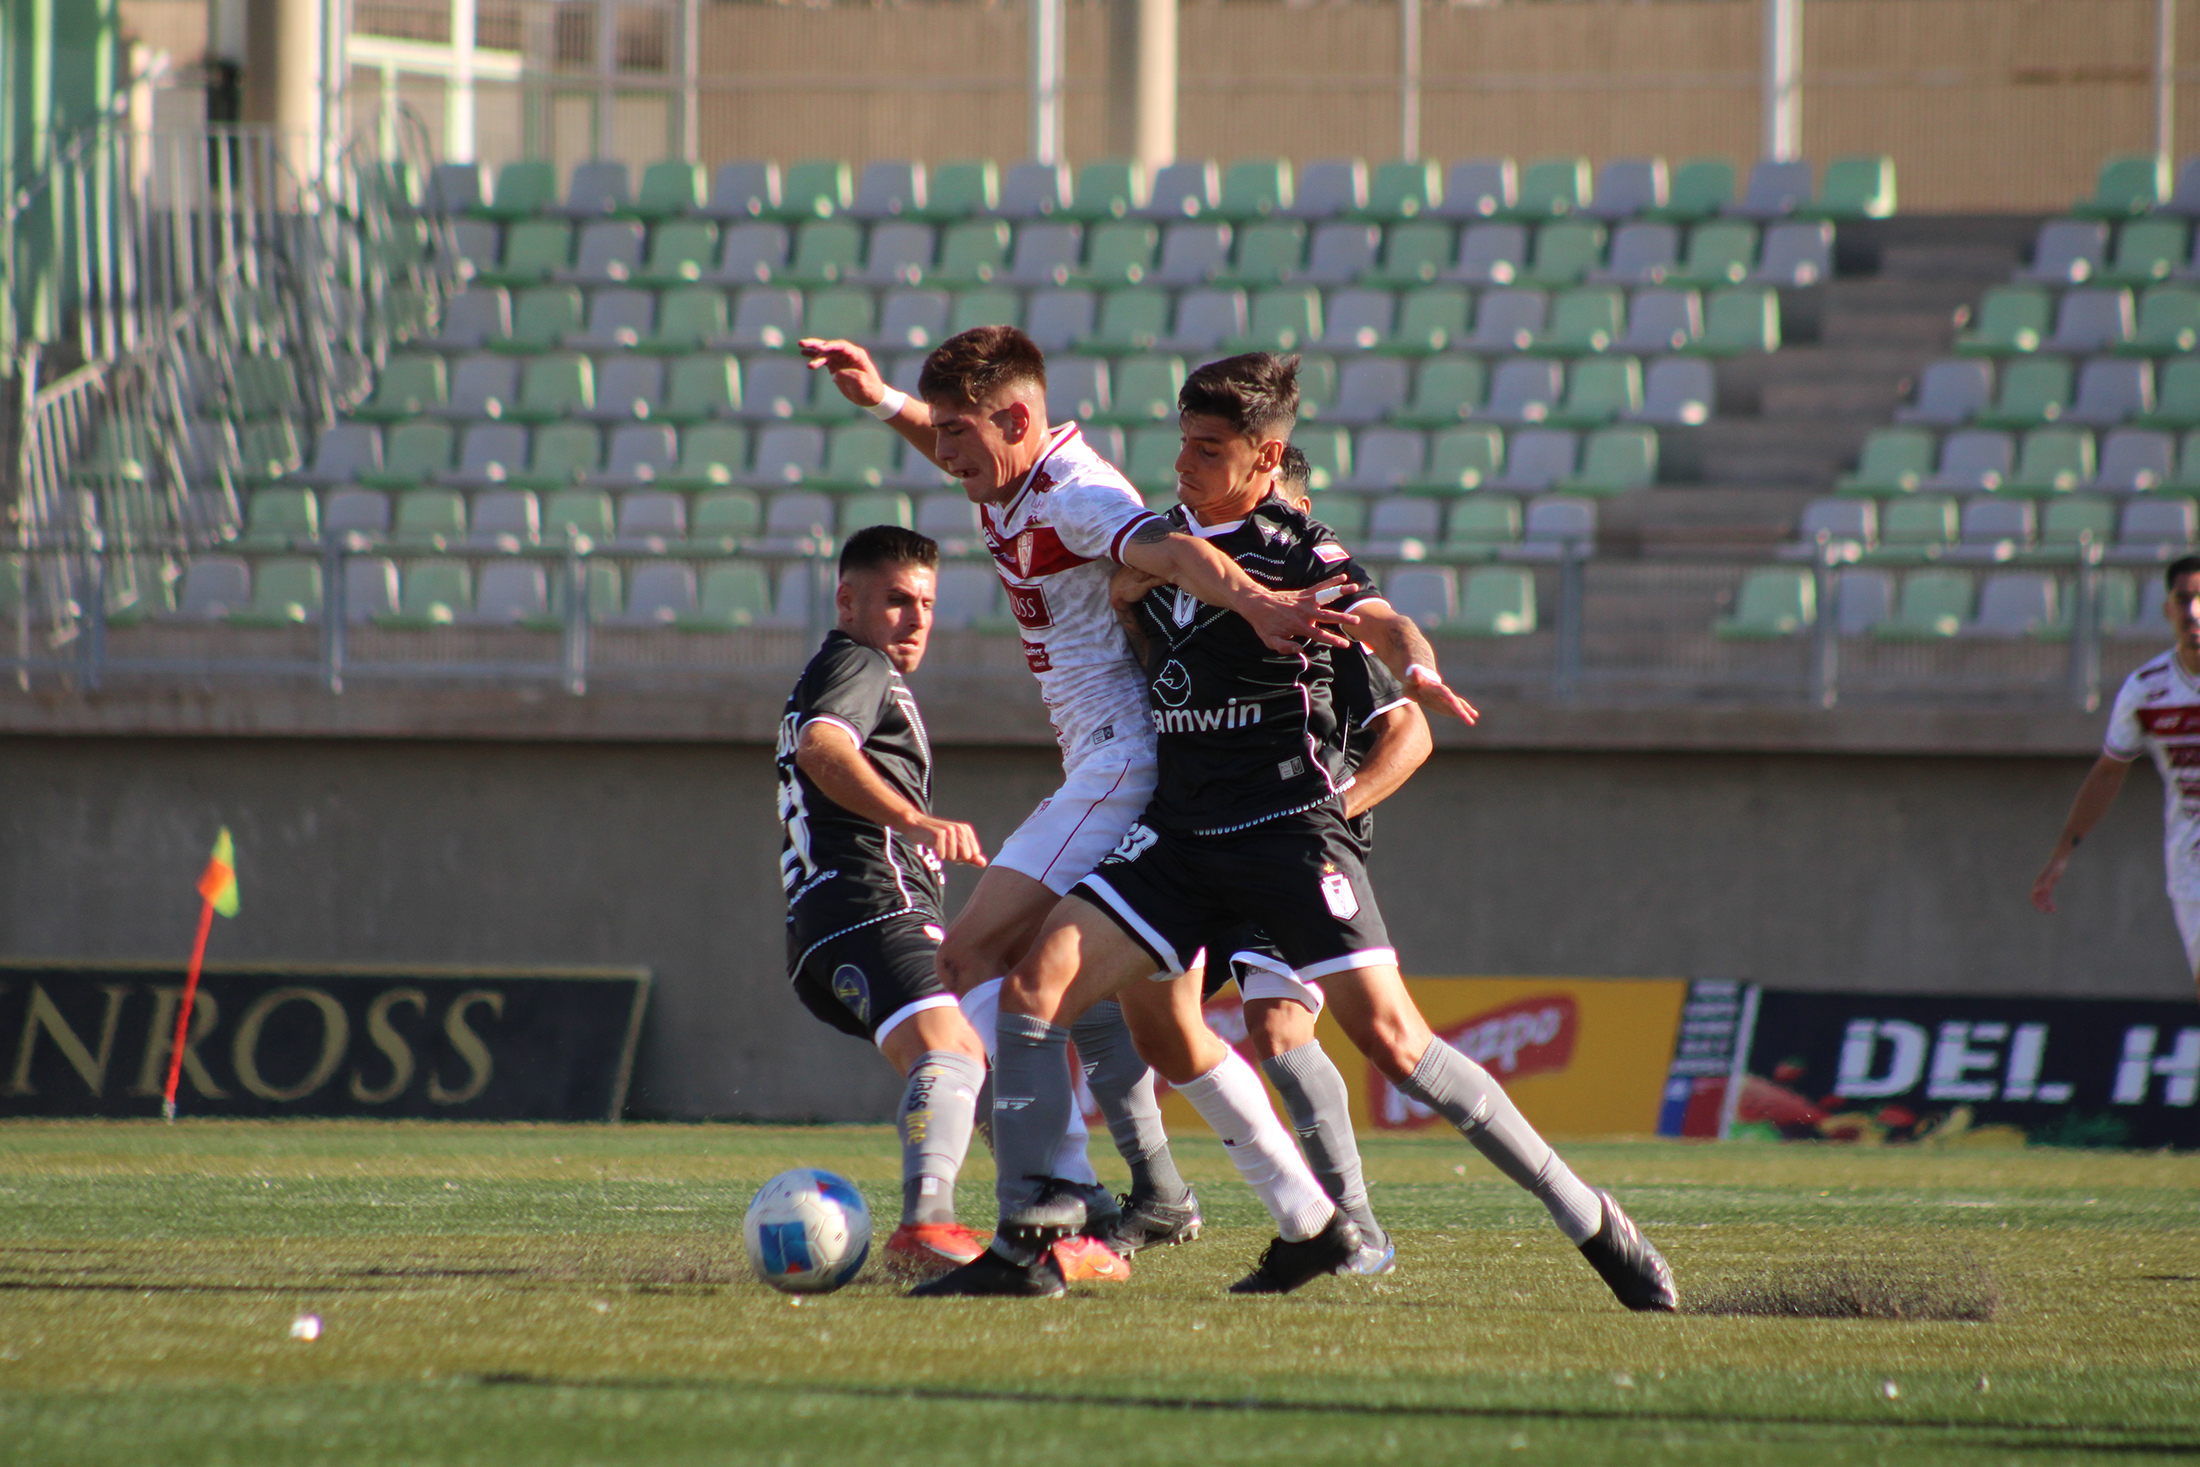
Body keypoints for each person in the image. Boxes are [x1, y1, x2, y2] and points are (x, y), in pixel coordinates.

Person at [916, 354, 1679, 1310]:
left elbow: (1380, 623)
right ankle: (1041, 1231)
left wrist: (1420, 659)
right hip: (1182, 837)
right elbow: (1047, 520)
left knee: (1396, 1043)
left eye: (1209, 450)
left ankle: (1589, 1216)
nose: (1185, 465)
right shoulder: (1158, 545)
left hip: (1288, 833)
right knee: (1038, 986)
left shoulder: (1300, 555)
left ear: (1265, 456)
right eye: (1182, 444)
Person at [797, 327, 1355, 1265]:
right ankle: (1313, 1222)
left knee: (967, 959)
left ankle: (1052, 1198)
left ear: (1017, 419)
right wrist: (884, 400)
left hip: (1120, 764)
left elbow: (1174, 553)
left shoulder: (1079, 494)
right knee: (1171, 1036)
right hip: (1128, 770)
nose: (947, 452)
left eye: (959, 433)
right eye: (940, 432)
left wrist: (1257, 603)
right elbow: (955, 442)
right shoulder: (1008, 477)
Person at [1139, 443, 1430, 1276]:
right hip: (1201, 840)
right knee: (1143, 1012)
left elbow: (1411, 731)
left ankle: (1355, 1227)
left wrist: (1332, 809)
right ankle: (1149, 1192)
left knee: (1276, 1024)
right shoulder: (1193, 599)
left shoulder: (1326, 621)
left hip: (1289, 843)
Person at [774, 525, 1001, 1282]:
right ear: (848, 599)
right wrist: (914, 819)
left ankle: (1052, 1211)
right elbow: (823, 748)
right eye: (898, 599)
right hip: (871, 907)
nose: (917, 618)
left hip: (831, 924)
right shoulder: (856, 662)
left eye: (929, 603)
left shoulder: (851, 668)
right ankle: (928, 1224)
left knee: (991, 1052)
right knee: (953, 1051)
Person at [2032, 554, 2200, 999]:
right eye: (2184, 600)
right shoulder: (2146, 689)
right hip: (2193, 864)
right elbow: (2108, 772)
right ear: (2167, 609)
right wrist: (2063, 852)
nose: (2194, 612)